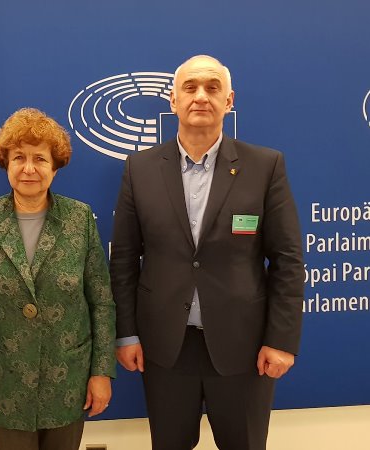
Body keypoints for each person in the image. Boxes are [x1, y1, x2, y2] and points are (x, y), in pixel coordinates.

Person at [110, 55, 304, 450]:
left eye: (213, 87)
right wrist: (126, 333)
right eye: (190, 87)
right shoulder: (139, 168)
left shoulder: (265, 166)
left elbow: (287, 261)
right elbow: (124, 260)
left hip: (245, 349)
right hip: (165, 348)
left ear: (229, 101)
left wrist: (281, 340)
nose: (201, 96)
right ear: (173, 100)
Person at [0, 108, 116, 450]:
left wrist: (101, 372)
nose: (29, 168)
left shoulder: (79, 218)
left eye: (40, 159)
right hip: (4, 382)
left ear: (55, 166)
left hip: (67, 379)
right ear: (6, 163)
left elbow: (101, 302)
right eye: (19, 158)